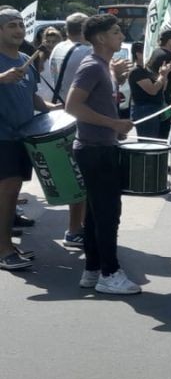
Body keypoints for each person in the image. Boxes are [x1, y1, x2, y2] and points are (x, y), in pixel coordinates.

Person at [65, 14, 138, 294]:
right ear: (100, 38)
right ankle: (110, 273)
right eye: (116, 32)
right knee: (108, 214)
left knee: (96, 214)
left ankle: (93, 270)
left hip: (100, 146)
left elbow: (96, 104)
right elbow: (72, 106)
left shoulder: (104, 67)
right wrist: (113, 124)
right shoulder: (92, 66)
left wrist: (115, 126)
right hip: (94, 151)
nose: (121, 36)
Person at [0, 9, 57, 271]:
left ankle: (7, 245)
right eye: (12, 25)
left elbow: (34, 99)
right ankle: (3, 249)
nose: (19, 30)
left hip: (23, 135)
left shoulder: (25, 58)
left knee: (11, 194)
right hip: (2, 137)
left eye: (21, 24)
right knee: (8, 190)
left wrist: (54, 109)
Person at [47, 12, 91, 246]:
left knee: (74, 174)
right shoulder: (85, 52)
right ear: (85, 29)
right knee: (81, 177)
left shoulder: (59, 47)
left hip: (61, 112)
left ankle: (76, 227)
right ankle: (75, 229)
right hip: (77, 116)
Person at [147, 29, 171, 152]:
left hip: (154, 96)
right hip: (164, 97)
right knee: (163, 132)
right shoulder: (169, 56)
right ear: (169, 40)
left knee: (153, 134)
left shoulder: (156, 52)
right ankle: (160, 162)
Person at [128, 41, 171, 140]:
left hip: (157, 108)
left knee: (160, 141)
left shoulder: (147, 70)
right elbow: (152, 90)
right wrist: (161, 76)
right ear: (138, 54)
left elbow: (162, 88)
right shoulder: (136, 71)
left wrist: (165, 74)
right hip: (145, 110)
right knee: (148, 142)